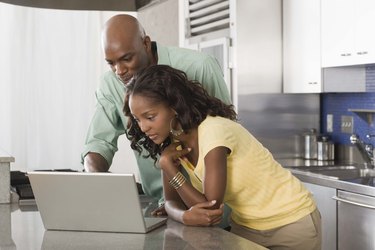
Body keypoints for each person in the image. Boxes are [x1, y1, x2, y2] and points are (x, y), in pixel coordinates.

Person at [123, 65, 322, 250]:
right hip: (246, 227)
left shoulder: (213, 131)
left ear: (174, 107)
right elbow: (170, 203)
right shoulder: (172, 143)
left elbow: (210, 209)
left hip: (290, 222)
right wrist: (183, 215)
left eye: (150, 117)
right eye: (137, 119)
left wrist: (169, 167)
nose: (143, 127)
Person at [81, 14, 231, 227]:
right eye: (111, 63)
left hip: (216, 209)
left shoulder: (200, 66)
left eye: (126, 58)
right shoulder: (109, 84)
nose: (119, 71)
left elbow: (226, 133)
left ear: (146, 43)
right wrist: (95, 183)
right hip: (167, 208)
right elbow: (98, 143)